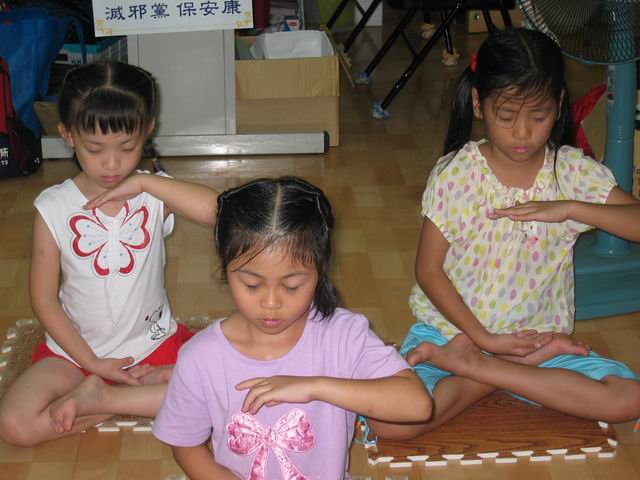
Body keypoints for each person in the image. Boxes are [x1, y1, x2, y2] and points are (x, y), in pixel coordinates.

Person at [368, 28, 640, 441]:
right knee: (389, 420)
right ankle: (502, 370)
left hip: (535, 342)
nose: (523, 133)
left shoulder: (570, 172)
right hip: (451, 334)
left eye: (539, 116)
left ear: (559, 105)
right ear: (479, 103)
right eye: (507, 116)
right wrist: (482, 339)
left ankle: (484, 371)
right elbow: (428, 271)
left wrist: (570, 208)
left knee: (628, 397)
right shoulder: (457, 174)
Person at [151, 176, 432, 479]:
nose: (271, 303)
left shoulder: (343, 335)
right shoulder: (201, 356)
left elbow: (417, 405)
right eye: (252, 284)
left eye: (292, 286)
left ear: (320, 272)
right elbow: (186, 445)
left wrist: (313, 387)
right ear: (225, 269)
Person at [0, 61, 219, 446]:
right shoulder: (53, 207)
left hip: (154, 345)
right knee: (13, 424)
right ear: (67, 135)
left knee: (224, 390)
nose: (113, 163)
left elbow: (221, 212)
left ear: (148, 129)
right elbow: (44, 300)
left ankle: (105, 398)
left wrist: (147, 183)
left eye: (128, 147)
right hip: (74, 355)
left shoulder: (155, 193)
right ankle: (122, 395)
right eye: (95, 148)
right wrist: (92, 363)